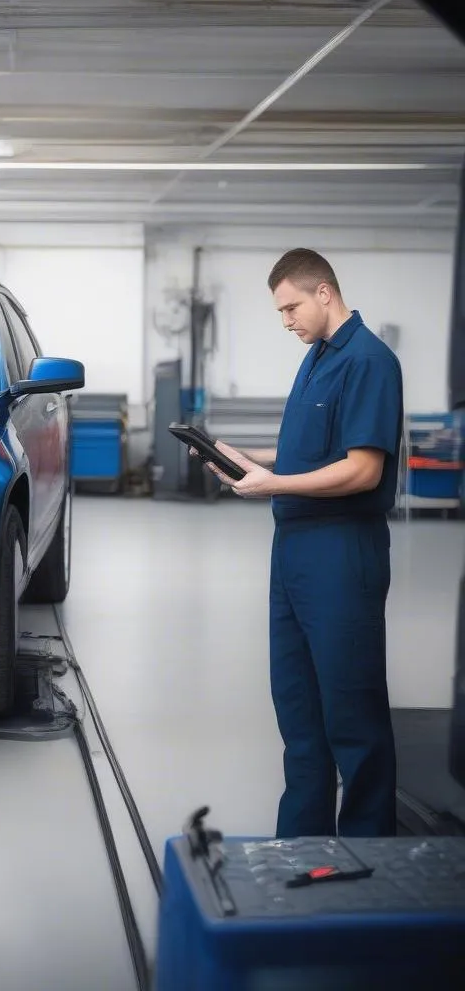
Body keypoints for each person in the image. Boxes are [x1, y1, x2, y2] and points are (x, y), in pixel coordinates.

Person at [196, 248, 403, 839]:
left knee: (352, 712)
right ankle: (301, 844)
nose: (285, 319)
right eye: (279, 310)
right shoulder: (314, 359)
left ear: (324, 294)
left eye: (290, 307)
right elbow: (309, 455)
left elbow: (362, 470)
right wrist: (244, 460)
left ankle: (370, 855)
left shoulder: (369, 361)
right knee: (299, 709)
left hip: (342, 551)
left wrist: (275, 484)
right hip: (293, 553)